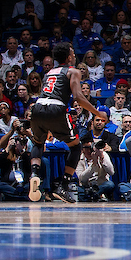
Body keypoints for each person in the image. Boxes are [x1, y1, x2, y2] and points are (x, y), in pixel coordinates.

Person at [26, 42, 101, 203]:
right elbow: (78, 98)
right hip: (56, 108)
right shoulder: (73, 71)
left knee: (38, 143)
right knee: (75, 147)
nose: (74, 56)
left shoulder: (49, 72)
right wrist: (97, 112)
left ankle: (34, 173)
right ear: (68, 57)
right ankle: (63, 186)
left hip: (38, 107)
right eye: (73, 53)